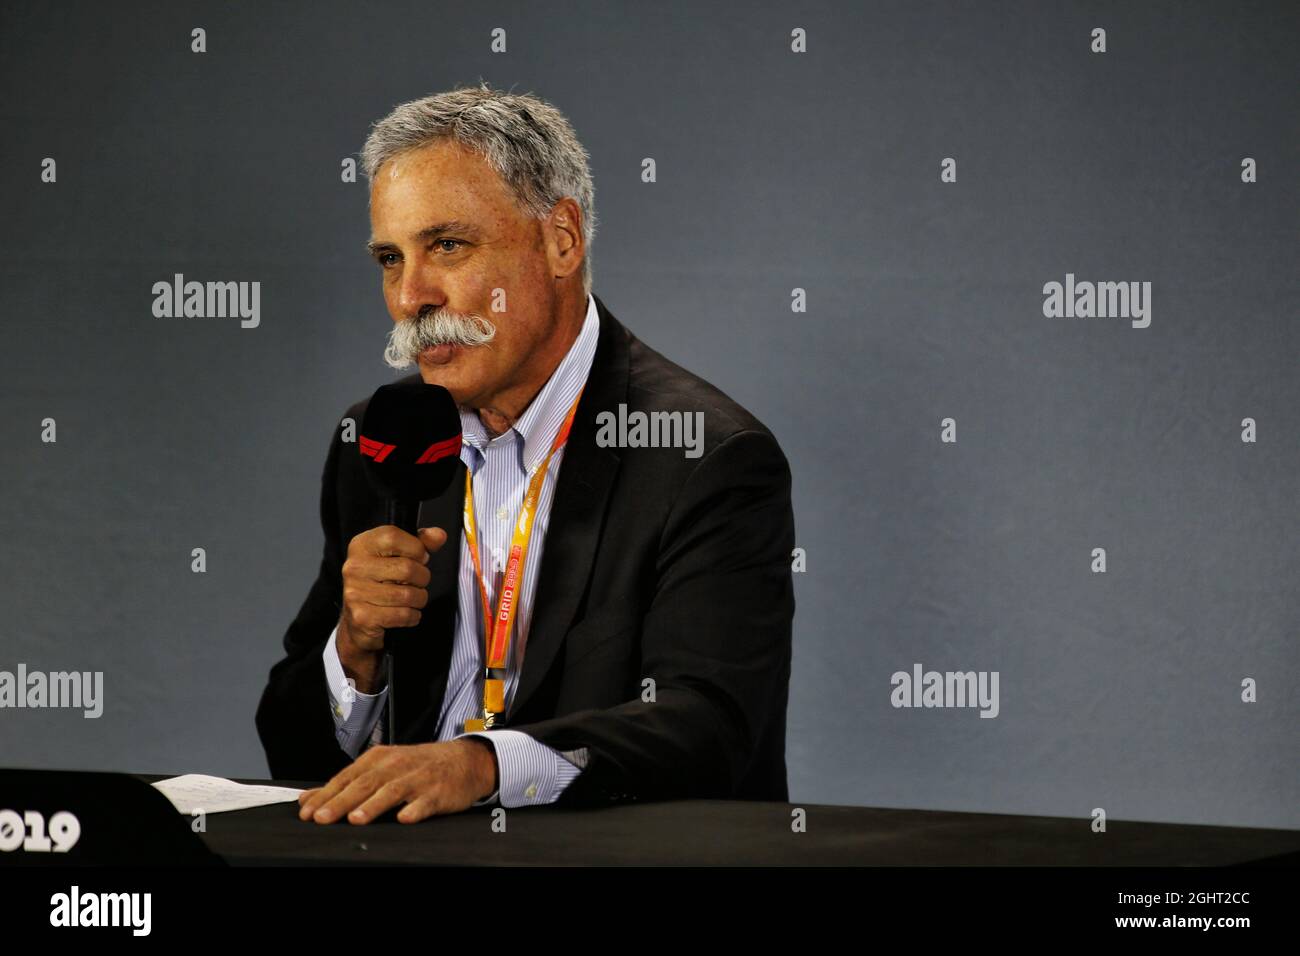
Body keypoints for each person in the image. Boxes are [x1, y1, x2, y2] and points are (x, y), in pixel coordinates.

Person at [255, 82, 796, 824]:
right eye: (389, 257)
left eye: (447, 245)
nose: (412, 294)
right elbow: (292, 755)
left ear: (561, 240)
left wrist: (481, 765)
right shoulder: (381, 440)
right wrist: (353, 653)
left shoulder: (705, 456)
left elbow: (707, 728)